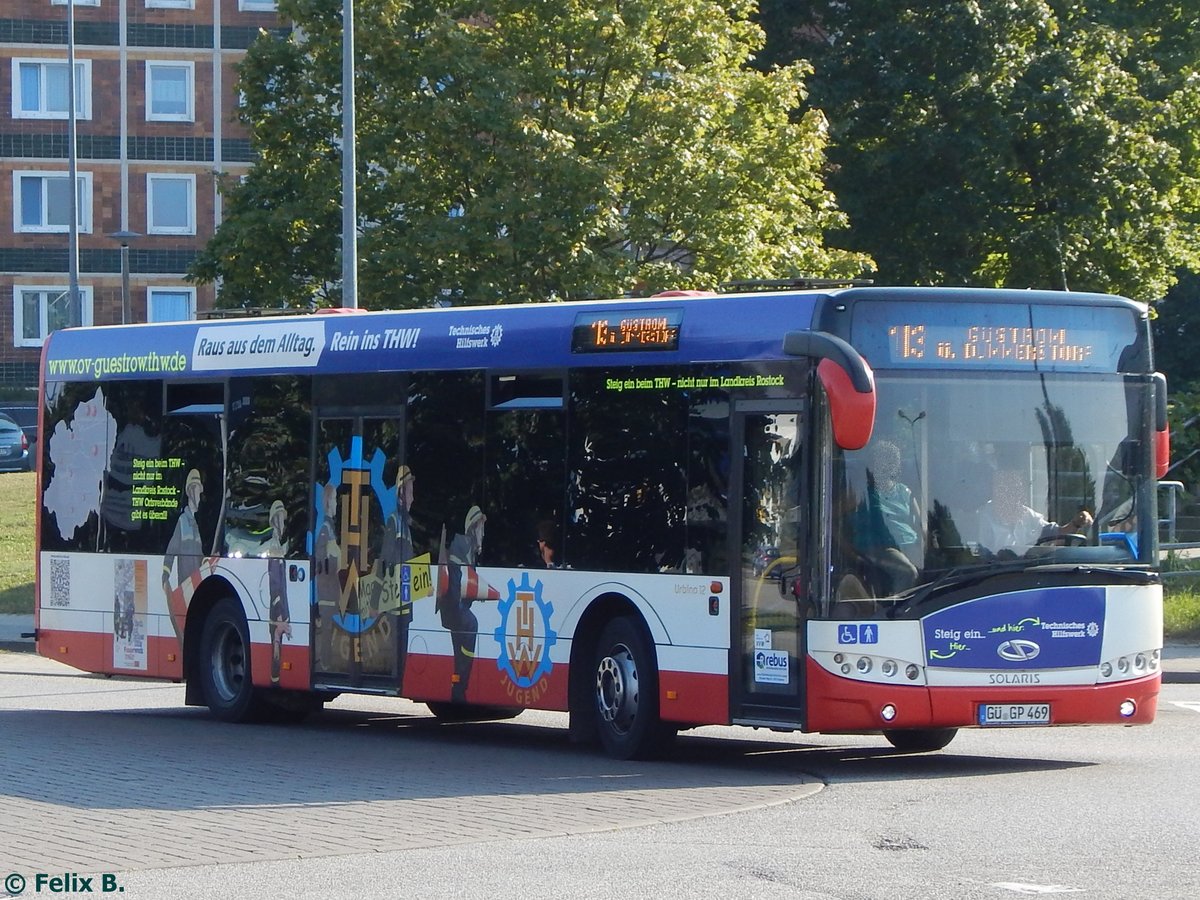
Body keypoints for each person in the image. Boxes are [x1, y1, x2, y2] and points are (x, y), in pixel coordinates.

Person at [852, 440, 923, 594]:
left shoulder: (904, 491)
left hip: (910, 545)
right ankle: (897, 606)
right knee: (908, 573)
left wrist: (925, 545)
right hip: (881, 547)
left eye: (892, 461)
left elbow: (919, 524)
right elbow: (836, 521)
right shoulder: (863, 491)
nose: (888, 466)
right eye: (883, 460)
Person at [976, 467, 1094, 557]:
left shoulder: (1027, 514)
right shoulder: (982, 517)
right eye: (1008, 489)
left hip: (1029, 573)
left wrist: (1076, 523)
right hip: (996, 575)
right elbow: (981, 558)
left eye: (1017, 489)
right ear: (996, 491)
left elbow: (1058, 534)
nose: (1014, 495)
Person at [437, 505, 487, 703]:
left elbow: (467, 582)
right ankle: (459, 686)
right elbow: (456, 580)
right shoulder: (462, 545)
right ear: (473, 527)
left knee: (461, 648)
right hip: (453, 607)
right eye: (480, 528)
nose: (483, 533)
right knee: (471, 625)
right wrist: (460, 606)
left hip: (456, 606)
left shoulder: (469, 549)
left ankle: (458, 687)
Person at [378, 465, 415, 690]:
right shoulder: (394, 522)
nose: (413, 497)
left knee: (402, 650)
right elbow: (385, 559)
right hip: (395, 602)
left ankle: (399, 679)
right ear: (401, 493)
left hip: (405, 601)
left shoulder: (405, 524)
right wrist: (376, 601)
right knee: (397, 651)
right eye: (410, 491)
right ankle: (396, 679)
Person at [162, 468, 205, 646]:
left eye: (199, 489)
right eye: (196, 489)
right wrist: (165, 576)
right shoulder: (182, 522)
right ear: (190, 491)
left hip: (199, 586)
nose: (199, 494)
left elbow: (201, 556)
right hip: (186, 588)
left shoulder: (199, 523)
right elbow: (171, 550)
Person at [264, 500, 291, 685]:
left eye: (283, 518)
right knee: (276, 654)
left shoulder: (279, 545)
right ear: (274, 520)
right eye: (279, 518)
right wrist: (280, 617)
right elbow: (275, 585)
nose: (282, 522)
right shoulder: (274, 546)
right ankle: (274, 683)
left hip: (281, 613)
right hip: (277, 615)